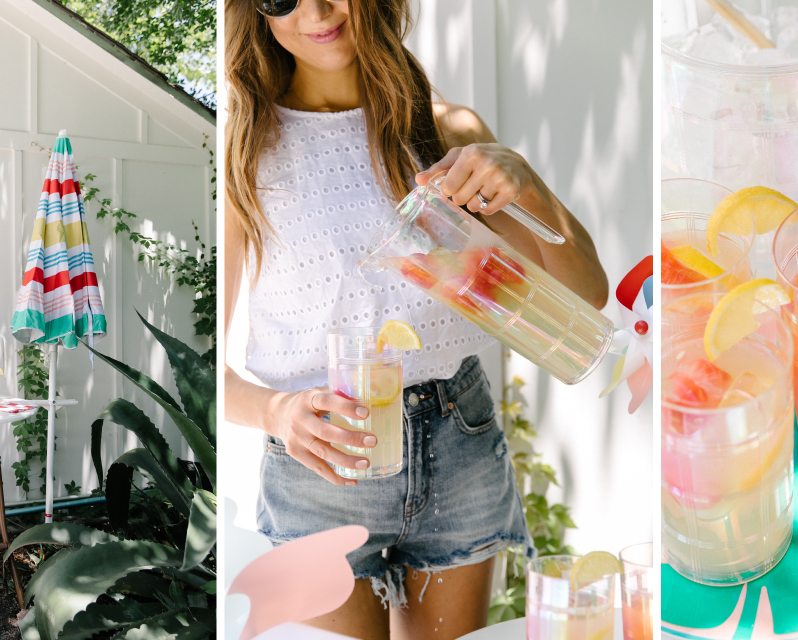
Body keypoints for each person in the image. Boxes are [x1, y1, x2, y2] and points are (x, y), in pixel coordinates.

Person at [223, 0, 609, 637]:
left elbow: (586, 291)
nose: (315, 11)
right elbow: (204, 375)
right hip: (323, 465)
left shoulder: (445, 130)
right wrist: (273, 412)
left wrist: (528, 183)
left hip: (459, 444)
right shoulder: (246, 151)